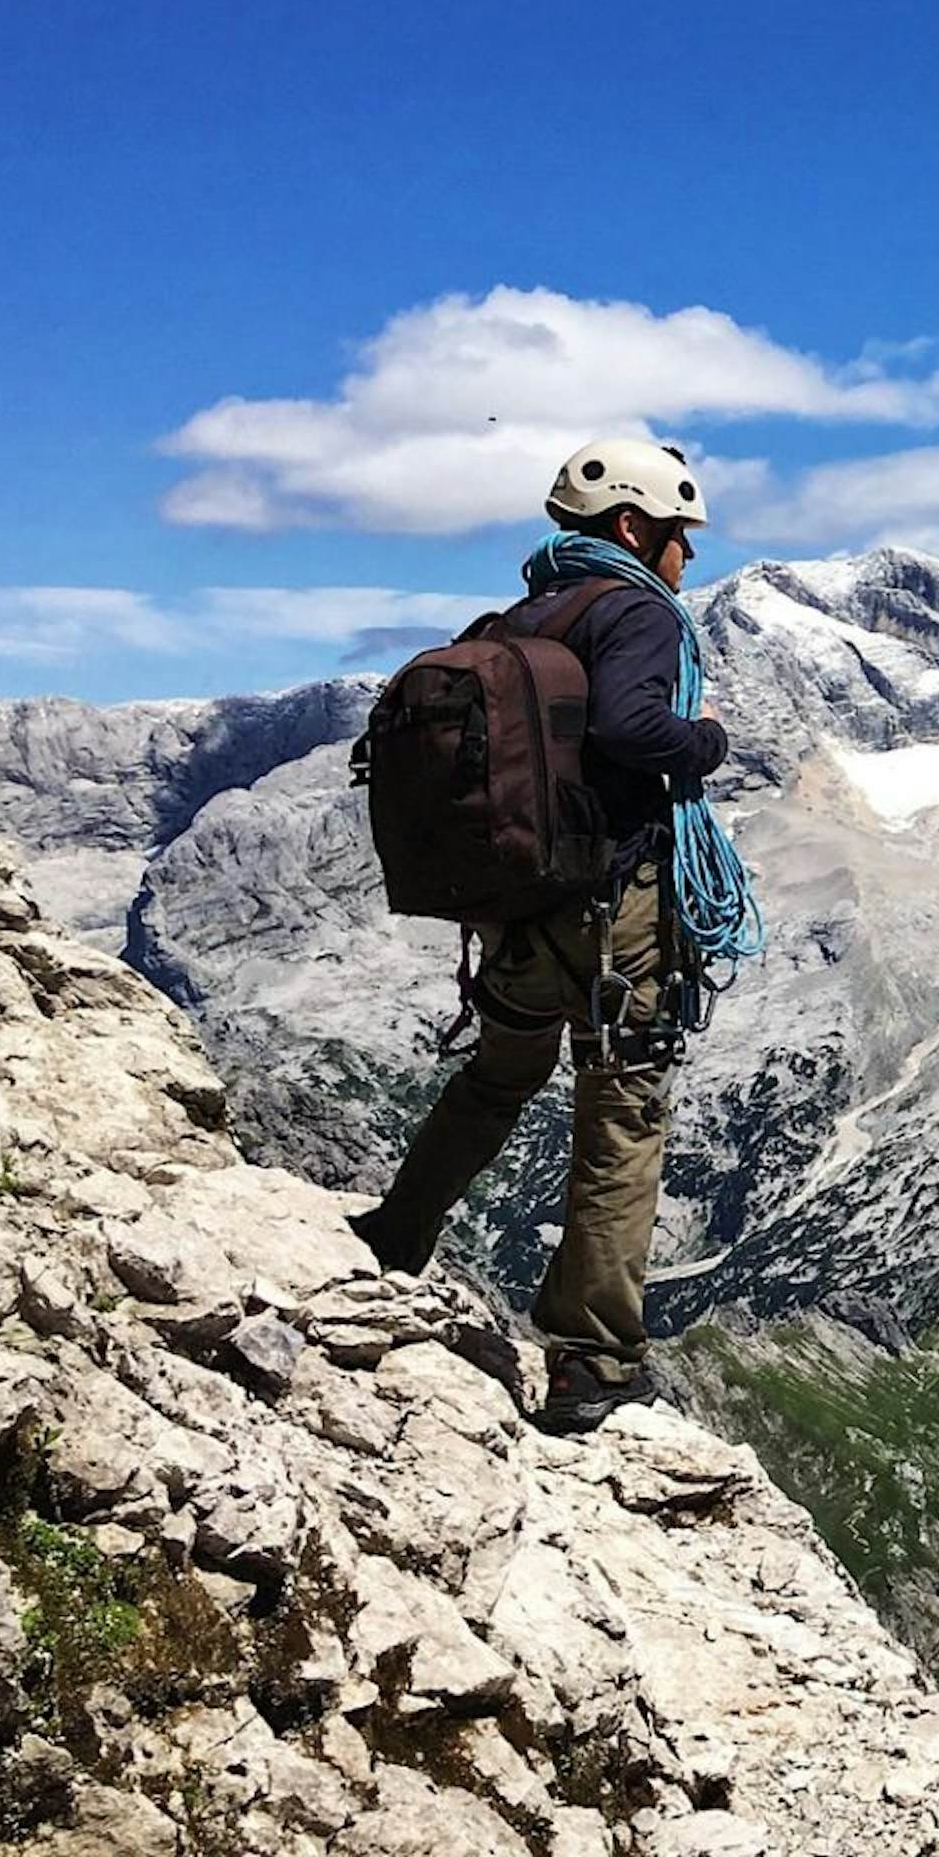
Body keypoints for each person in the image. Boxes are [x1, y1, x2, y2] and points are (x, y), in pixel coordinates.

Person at [351, 437, 749, 1434]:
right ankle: (591, 1361)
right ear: (631, 528)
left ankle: (393, 1235)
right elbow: (629, 728)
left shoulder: (527, 614)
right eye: (676, 537)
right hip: (620, 905)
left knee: (498, 1074)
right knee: (623, 1108)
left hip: (523, 905)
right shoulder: (639, 614)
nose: (686, 559)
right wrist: (706, 741)